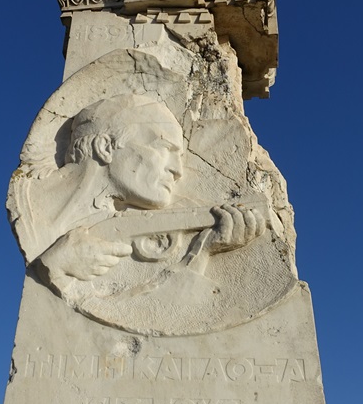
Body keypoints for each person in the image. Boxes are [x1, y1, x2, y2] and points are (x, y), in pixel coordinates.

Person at [35, 93, 265, 302]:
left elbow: (142, 318)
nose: (178, 171)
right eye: (164, 148)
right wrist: (56, 266)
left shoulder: (105, 216)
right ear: (105, 147)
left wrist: (202, 251)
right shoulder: (35, 211)